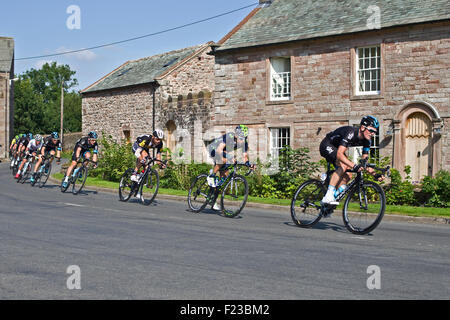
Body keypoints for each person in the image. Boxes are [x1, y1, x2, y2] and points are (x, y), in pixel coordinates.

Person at [319, 115, 385, 205]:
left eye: (375, 132)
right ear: (362, 127)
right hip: (327, 144)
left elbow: (364, 162)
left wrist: (375, 174)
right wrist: (353, 165)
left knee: (349, 175)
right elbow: (339, 154)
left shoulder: (367, 141)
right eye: (371, 130)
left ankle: (329, 203)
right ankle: (328, 196)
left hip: (337, 148)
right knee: (344, 165)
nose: (372, 133)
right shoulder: (351, 132)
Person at [207, 125, 255, 209]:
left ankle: (212, 200)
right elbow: (219, 150)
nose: (242, 140)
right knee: (223, 160)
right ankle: (212, 175)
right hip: (214, 148)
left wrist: (249, 164)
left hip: (224, 151)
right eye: (241, 138)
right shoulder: (229, 136)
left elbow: (245, 157)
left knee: (223, 178)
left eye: (244, 138)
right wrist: (229, 157)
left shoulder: (244, 143)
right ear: (236, 135)